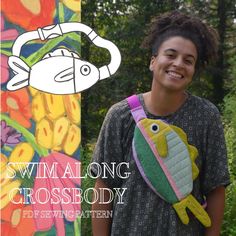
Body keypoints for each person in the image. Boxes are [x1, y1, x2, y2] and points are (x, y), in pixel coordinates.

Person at [91, 11, 230, 236]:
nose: (178, 64)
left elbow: (215, 188)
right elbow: (104, 187)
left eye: (188, 60)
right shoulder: (120, 116)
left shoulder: (206, 116)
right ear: (153, 61)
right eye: (171, 55)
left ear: (193, 71)